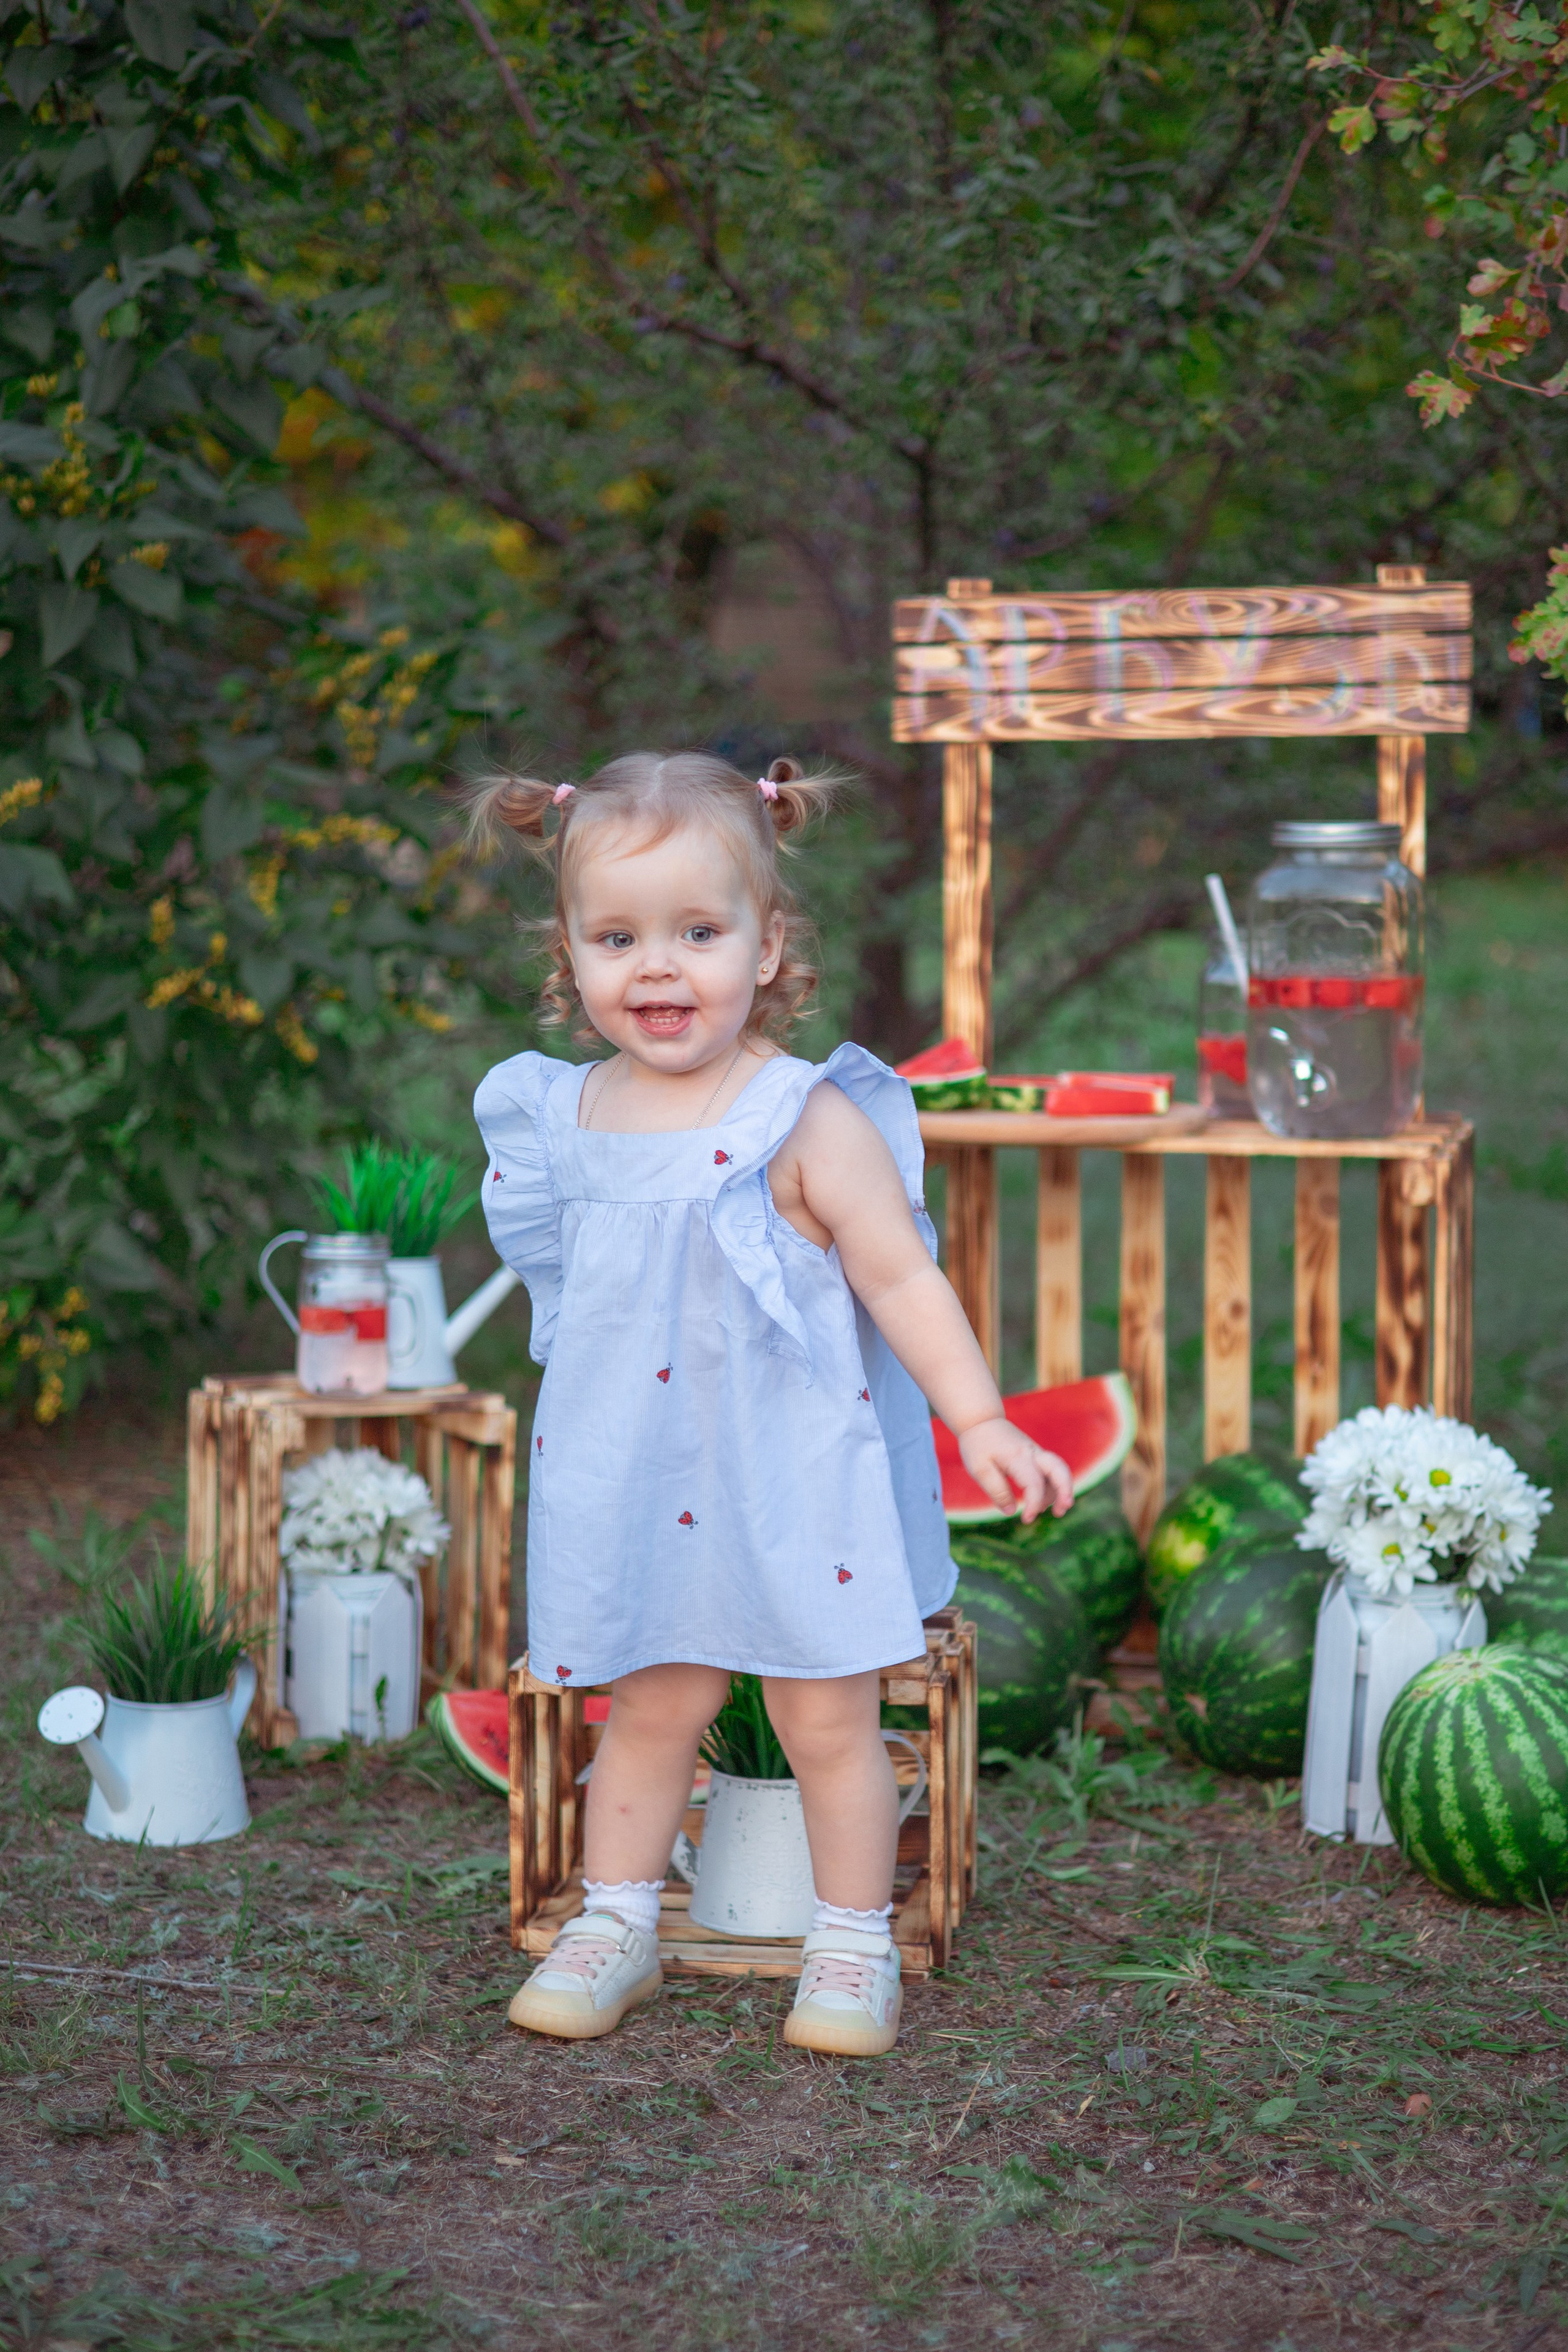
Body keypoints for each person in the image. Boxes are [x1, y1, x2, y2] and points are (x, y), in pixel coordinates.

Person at [470, 750, 1071, 2059]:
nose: (659, 968)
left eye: (698, 931)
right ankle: (615, 1918)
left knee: (826, 1718)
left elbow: (901, 1279)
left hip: (791, 1472)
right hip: (643, 1471)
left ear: (767, 940)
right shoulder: (561, 1120)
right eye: (617, 936)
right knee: (650, 1706)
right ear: (567, 952)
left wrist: (980, 1419)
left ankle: (849, 1944)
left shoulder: (801, 1118)